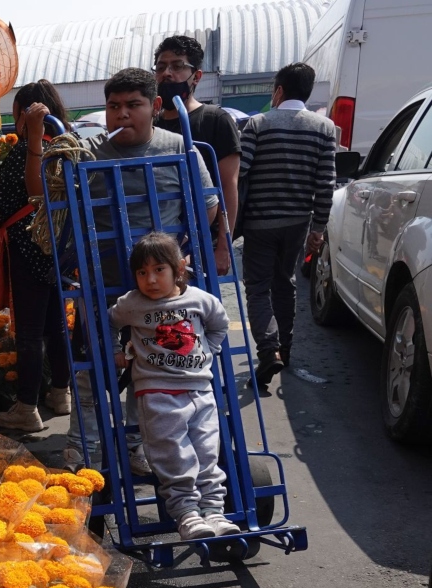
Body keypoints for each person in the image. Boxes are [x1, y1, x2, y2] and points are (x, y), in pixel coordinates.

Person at [23, 67, 219, 472]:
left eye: (134, 105)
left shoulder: (179, 147)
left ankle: (144, 447)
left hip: (164, 292)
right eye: (114, 107)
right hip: (101, 286)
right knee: (92, 372)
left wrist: (183, 249)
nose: (122, 115)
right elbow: (40, 194)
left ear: (156, 107)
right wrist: (34, 142)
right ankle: (84, 454)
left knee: (157, 371)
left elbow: (208, 206)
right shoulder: (85, 151)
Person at [110, 232, 237, 541]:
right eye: (142, 272)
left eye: (159, 270)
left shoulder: (199, 300)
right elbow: (110, 321)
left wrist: (210, 349)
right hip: (156, 391)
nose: (150, 279)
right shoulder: (132, 304)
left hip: (200, 390)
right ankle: (187, 514)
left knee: (207, 452)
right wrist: (116, 349)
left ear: (179, 268)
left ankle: (214, 512)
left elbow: (219, 324)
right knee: (172, 454)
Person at [0, 79, 73, 433]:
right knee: (56, 324)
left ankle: (26, 407)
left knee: (30, 331)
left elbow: (2, 203)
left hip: (28, 245)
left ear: (26, 114)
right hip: (58, 247)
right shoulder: (64, 145)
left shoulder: (27, 149)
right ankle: (60, 392)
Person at [239, 62, 336, 389]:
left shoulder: (258, 124)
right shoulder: (325, 128)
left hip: (259, 223)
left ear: (278, 91)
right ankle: (286, 349)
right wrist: (318, 229)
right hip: (298, 222)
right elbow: (326, 184)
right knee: (285, 282)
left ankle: (269, 351)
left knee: (257, 287)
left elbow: (242, 170)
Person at [152, 34, 241, 275]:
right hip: (156, 246)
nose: (167, 73)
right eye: (161, 67)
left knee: (196, 310)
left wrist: (224, 247)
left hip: (202, 245)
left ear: (197, 76)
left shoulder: (215, 120)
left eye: (178, 66)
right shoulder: (151, 127)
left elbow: (228, 187)